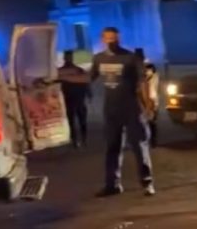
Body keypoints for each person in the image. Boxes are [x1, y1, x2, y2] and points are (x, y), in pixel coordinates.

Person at [91, 27, 155, 197]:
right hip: (111, 110)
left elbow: (143, 82)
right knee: (112, 147)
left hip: (132, 109)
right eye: (108, 39)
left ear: (119, 39)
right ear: (103, 40)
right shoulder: (98, 59)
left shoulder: (130, 58)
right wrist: (56, 77)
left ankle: (147, 183)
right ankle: (112, 185)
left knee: (139, 147)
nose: (111, 42)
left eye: (114, 39)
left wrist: (148, 104)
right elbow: (87, 78)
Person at [57, 50, 91, 148]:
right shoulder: (62, 71)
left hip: (78, 98)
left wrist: (89, 93)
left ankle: (83, 139)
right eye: (68, 57)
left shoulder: (76, 70)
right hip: (69, 99)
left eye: (70, 57)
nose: (69, 59)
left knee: (81, 120)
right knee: (72, 120)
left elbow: (85, 82)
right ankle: (75, 140)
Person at [144, 63, 160, 148]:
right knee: (151, 123)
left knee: (151, 123)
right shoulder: (155, 76)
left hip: (151, 102)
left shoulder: (152, 77)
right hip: (151, 102)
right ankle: (152, 141)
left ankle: (152, 141)